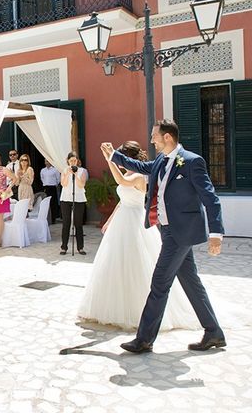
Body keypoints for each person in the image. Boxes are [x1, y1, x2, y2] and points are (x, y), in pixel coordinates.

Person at [102, 119, 226, 354]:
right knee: (191, 283)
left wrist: (216, 233)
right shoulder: (160, 161)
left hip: (181, 233)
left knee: (160, 282)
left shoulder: (191, 162)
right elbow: (140, 167)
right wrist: (113, 155)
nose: (151, 140)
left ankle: (144, 339)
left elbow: (211, 198)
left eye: (154, 136)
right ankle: (214, 332)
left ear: (167, 137)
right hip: (167, 230)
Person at [78, 141, 199, 331]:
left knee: (137, 261)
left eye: (121, 157)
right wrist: (110, 220)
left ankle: (140, 312)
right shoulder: (127, 173)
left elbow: (122, 183)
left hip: (135, 222)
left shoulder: (140, 175)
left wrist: (109, 158)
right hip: (122, 220)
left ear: (129, 158)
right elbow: (122, 200)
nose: (118, 161)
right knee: (116, 261)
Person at [60, 151, 87, 255]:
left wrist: (75, 174)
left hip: (79, 198)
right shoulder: (64, 171)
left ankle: (80, 247)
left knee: (78, 223)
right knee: (66, 223)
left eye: (74, 160)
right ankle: (64, 247)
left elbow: (81, 185)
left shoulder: (82, 171)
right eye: (71, 161)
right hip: (66, 198)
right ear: (68, 161)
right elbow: (63, 184)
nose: (73, 162)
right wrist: (67, 174)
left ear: (77, 161)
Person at [40, 159, 61, 223]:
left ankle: (53, 218)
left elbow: (58, 179)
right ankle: (47, 218)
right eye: (46, 161)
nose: (47, 162)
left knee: (53, 203)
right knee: (46, 203)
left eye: (48, 161)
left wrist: (55, 184)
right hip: (46, 188)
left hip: (53, 187)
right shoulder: (43, 170)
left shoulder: (55, 170)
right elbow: (42, 178)